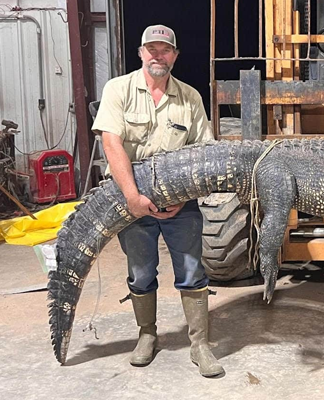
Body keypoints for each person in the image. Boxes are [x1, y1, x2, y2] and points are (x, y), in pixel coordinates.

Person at [91, 24, 223, 377]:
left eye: (165, 50)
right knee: (140, 271)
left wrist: (186, 197)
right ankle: (147, 334)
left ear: (175, 56)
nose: (157, 55)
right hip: (131, 201)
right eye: (151, 49)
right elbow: (111, 143)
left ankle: (199, 344)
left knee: (193, 270)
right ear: (140, 53)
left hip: (182, 204)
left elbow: (204, 154)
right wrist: (133, 198)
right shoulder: (118, 89)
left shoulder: (190, 98)